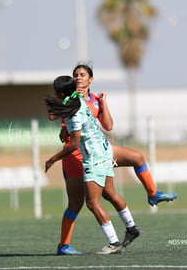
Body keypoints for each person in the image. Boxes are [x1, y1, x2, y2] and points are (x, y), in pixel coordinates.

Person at [54, 64, 178, 255]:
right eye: (75, 75)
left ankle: (150, 198)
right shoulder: (72, 100)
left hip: (97, 152)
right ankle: (64, 245)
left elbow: (109, 126)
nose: (78, 78)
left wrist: (104, 103)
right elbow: (66, 128)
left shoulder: (95, 99)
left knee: (134, 161)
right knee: (76, 203)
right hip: (75, 155)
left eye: (82, 75)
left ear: (90, 79)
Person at [45, 75, 139, 255]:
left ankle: (113, 243)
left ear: (62, 93)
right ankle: (131, 227)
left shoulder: (73, 113)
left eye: (56, 92)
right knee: (109, 194)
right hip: (105, 150)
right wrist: (64, 127)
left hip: (94, 157)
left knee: (92, 202)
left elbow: (73, 144)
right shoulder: (77, 99)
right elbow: (61, 113)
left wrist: (53, 159)